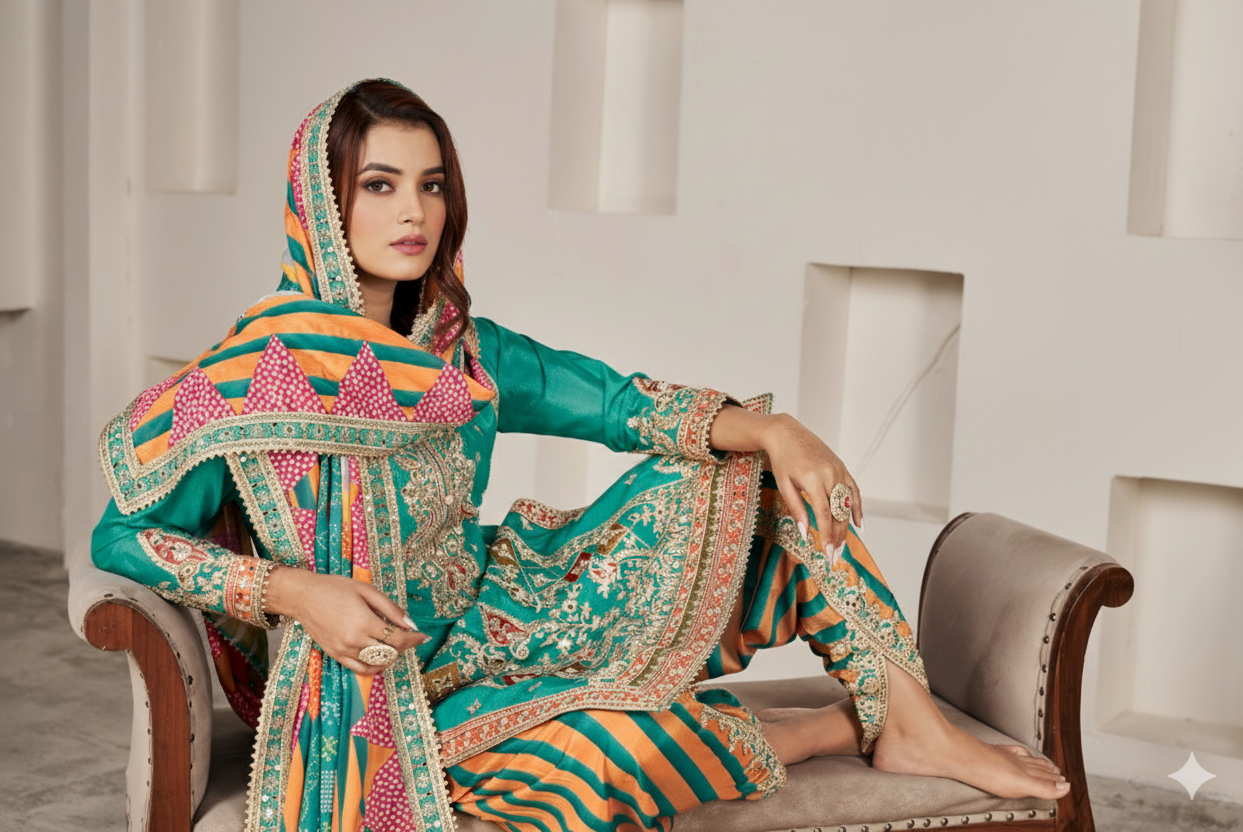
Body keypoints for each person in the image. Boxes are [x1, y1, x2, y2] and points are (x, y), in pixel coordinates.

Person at [92, 79, 1068, 832]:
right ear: (321, 201)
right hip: (376, 684)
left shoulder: (464, 352)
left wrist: (777, 429)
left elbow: (616, 404)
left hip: (504, 622)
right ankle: (829, 727)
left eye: (432, 185)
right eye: (379, 185)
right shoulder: (251, 381)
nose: (413, 212)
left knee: (770, 478)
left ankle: (910, 720)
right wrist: (292, 591)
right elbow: (121, 533)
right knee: (602, 758)